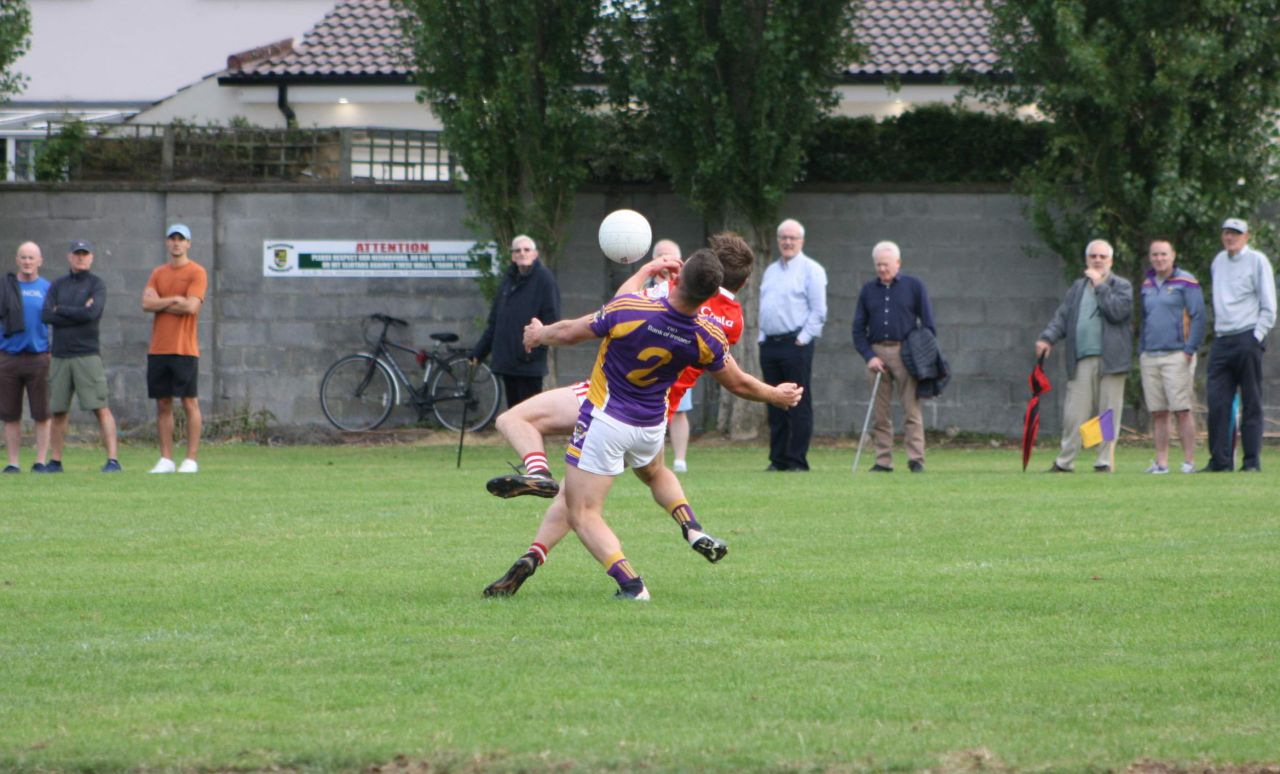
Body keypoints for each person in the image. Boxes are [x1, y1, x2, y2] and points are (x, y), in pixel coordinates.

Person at [485, 248, 802, 601]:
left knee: (582, 511)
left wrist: (539, 334)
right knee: (654, 474)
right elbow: (739, 383)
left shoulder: (632, 308)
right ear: (711, 295)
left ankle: (631, 584)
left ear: (677, 279)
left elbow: (571, 332)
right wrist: (775, 395)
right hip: (651, 425)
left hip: (605, 419)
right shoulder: (708, 335)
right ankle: (691, 527)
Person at [1036, 239, 1133, 473]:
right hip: (1081, 358)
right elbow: (1062, 317)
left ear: (1110, 261)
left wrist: (1100, 285)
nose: (1097, 260)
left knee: (1107, 413)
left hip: (1112, 360)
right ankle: (1065, 461)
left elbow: (1117, 312)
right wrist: (1047, 338)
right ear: (1086, 260)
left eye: (1102, 257)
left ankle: (1103, 461)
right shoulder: (1077, 288)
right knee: (1074, 413)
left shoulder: (1122, 286)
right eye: (1093, 256)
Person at [851, 240, 936, 473]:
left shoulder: (914, 286)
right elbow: (858, 329)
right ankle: (883, 460)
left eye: (886, 264)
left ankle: (916, 459)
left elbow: (928, 324)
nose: (882, 269)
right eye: (878, 265)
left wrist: (920, 353)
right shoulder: (868, 290)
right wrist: (869, 356)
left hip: (905, 353)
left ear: (898, 263)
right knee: (880, 413)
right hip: (876, 354)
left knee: (912, 409)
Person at [1203, 218, 1276, 472]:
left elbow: (1269, 304)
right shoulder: (1218, 262)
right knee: (1217, 402)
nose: (1230, 237)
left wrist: (1257, 336)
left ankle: (1251, 462)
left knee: (1251, 401)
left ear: (1246, 236)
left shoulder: (1257, 261)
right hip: (1223, 339)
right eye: (1226, 233)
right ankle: (1220, 461)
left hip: (1248, 336)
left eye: (1236, 233)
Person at [41, 240, 120, 473]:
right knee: (58, 410)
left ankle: (113, 460)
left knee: (100, 407)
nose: (81, 258)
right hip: (60, 355)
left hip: (87, 355)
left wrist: (62, 310)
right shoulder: (57, 285)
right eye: (77, 254)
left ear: (91, 257)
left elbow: (93, 313)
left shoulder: (97, 285)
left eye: (85, 254)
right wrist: (78, 312)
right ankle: (55, 461)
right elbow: (46, 316)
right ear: (69, 257)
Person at [758, 218, 826, 472]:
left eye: (792, 238)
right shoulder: (770, 271)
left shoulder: (812, 270)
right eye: (783, 238)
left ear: (801, 241)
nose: (787, 242)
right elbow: (765, 307)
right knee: (774, 403)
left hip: (795, 344)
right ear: (778, 241)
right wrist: (762, 338)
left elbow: (819, 311)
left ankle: (797, 460)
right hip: (770, 346)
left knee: (797, 404)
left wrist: (802, 339)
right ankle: (778, 459)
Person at [142, 223, 208, 474]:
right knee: (163, 404)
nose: (177, 243)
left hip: (185, 349)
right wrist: (172, 300)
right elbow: (146, 303)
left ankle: (190, 459)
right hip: (159, 348)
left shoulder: (197, 272)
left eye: (181, 239)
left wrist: (160, 303)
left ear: (188, 243)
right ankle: (166, 458)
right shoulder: (158, 272)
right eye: (173, 239)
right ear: (167, 243)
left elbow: (191, 307)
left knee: (189, 402)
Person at [1138, 238, 1206, 474]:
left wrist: (1189, 349)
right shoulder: (1146, 284)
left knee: (1182, 409)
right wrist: (1142, 350)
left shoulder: (1186, 281)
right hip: (1151, 355)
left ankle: (1188, 461)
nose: (1159, 259)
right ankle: (1162, 462)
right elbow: (1144, 319)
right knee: (1158, 411)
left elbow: (1198, 316)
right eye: (1155, 254)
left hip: (1177, 354)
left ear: (1173, 255)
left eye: (1164, 254)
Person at [470, 234, 561, 410]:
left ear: (535, 254)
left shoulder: (545, 280)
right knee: (514, 414)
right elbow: (495, 322)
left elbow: (552, 321)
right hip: (508, 363)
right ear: (512, 256)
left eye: (527, 250)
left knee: (531, 415)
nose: (522, 253)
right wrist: (478, 353)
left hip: (529, 364)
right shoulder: (508, 280)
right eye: (517, 250)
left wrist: (532, 352)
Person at [0, 242, 52, 473]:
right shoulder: (5, 287)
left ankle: (40, 461)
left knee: (41, 412)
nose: (27, 262)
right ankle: (13, 462)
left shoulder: (47, 289)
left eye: (32, 257)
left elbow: (56, 322)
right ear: (17, 260)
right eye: (23, 257)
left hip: (38, 357)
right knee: (11, 415)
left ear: (40, 261)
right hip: (9, 357)